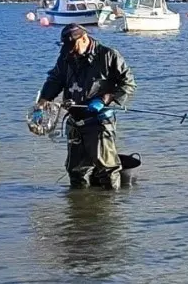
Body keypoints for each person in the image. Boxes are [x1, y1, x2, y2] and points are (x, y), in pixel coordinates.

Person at [37, 24, 136, 190]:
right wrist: (42, 102)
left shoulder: (108, 55)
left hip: (99, 121)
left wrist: (104, 99)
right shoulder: (66, 56)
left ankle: (111, 203)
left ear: (84, 39)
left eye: (73, 47)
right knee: (76, 171)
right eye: (67, 48)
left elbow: (128, 84)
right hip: (75, 121)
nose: (71, 52)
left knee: (107, 169)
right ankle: (79, 203)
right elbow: (55, 80)